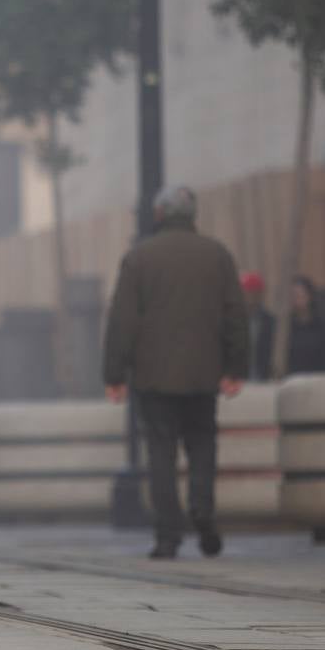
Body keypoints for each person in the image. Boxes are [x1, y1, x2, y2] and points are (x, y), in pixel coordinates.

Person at [103, 185, 248, 560]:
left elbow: (122, 321)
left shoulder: (139, 258)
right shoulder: (217, 256)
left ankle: (168, 535)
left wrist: (114, 374)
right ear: (192, 214)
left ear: (158, 214)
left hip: (154, 377)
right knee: (202, 446)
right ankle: (202, 508)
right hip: (203, 373)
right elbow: (236, 316)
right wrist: (236, 367)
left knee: (161, 453)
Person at [286, 276, 325, 375]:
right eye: (293, 295)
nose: (296, 299)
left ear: (310, 296)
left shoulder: (323, 328)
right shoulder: (286, 327)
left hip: (317, 380)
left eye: (299, 295)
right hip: (292, 380)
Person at [239, 272, 275, 381]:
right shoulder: (231, 321)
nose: (250, 296)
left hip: (262, 378)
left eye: (254, 292)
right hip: (236, 380)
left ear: (260, 294)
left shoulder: (270, 322)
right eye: (247, 292)